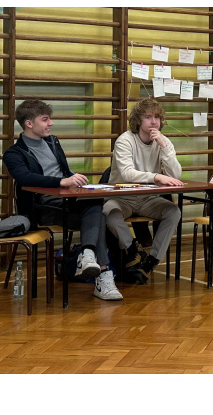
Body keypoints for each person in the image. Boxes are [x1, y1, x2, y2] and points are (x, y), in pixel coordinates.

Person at [3, 100, 122, 300]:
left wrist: (74, 177)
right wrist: (62, 181)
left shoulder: (53, 142)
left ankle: (88, 256)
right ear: (29, 123)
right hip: (43, 208)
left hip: (67, 202)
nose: (50, 123)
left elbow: (62, 171)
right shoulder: (13, 153)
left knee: (96, 204)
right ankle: (102, 275)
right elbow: (25, 178)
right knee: (98, 214)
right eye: (45, 119)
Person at [103, 98, 183, 285]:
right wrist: (156, 177)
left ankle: (151, 261)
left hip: (148, 199)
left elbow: (175, 174)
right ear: (138, 120)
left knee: (173, 212)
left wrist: (164, 147)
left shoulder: (164, 142)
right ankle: (134, 250)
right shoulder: (125, 140)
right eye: (148, 117)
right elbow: (127, 173)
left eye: (157, 117)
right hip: (121, 197)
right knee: (109, 214)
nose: (154, 122)